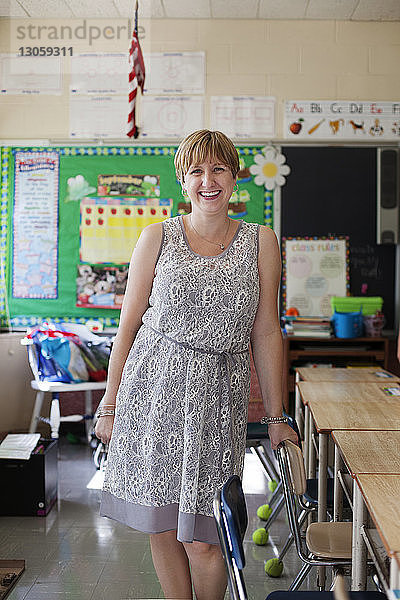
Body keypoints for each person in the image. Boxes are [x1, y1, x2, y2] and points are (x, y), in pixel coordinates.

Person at [95, 129, 298, 600]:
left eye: (218, 169)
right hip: (153, 393)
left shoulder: (260, 240)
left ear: (234, 177)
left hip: (216, 403)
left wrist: (275, 416)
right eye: (196, 171)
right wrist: (109, 404)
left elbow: (266, 331)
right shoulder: (157, 237)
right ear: (183, 182)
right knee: (162, 527)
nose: (208, 181)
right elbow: (127, 328)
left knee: (205, 539)